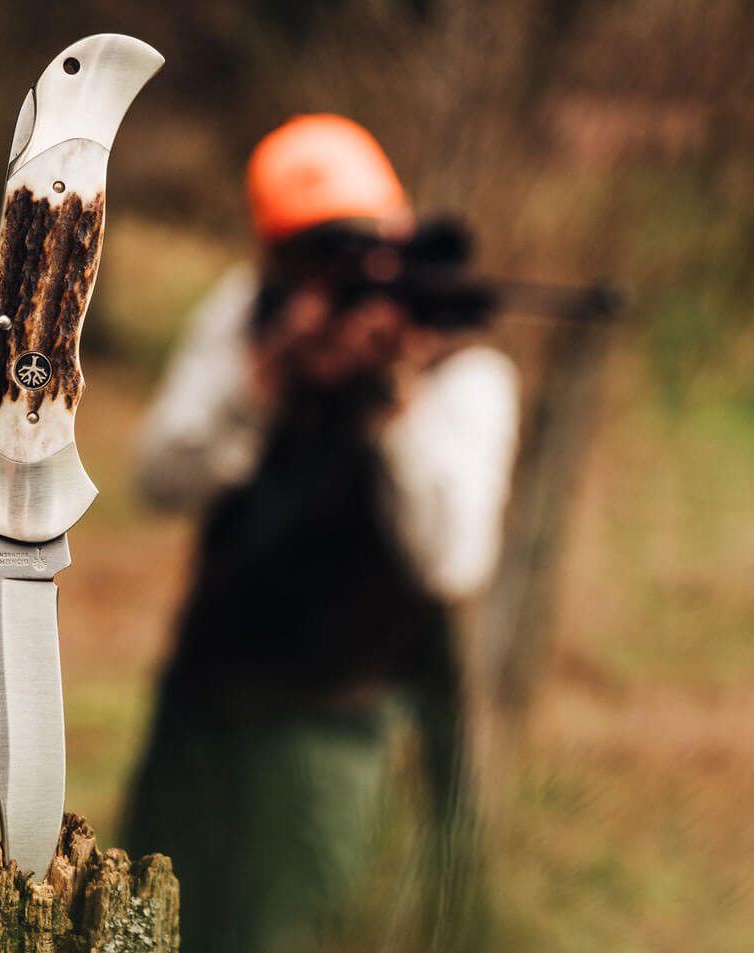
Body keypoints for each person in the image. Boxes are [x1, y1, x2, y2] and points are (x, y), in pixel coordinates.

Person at [124, 115, 520, 953]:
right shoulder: (245, 322)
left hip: (334, 728)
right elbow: (157, 479)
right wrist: (266, 380)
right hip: (200, 706)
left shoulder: (460, 373)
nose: (337, 282)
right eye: (311, 257)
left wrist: (393, 398)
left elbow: (453, 562)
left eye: (358, 251)